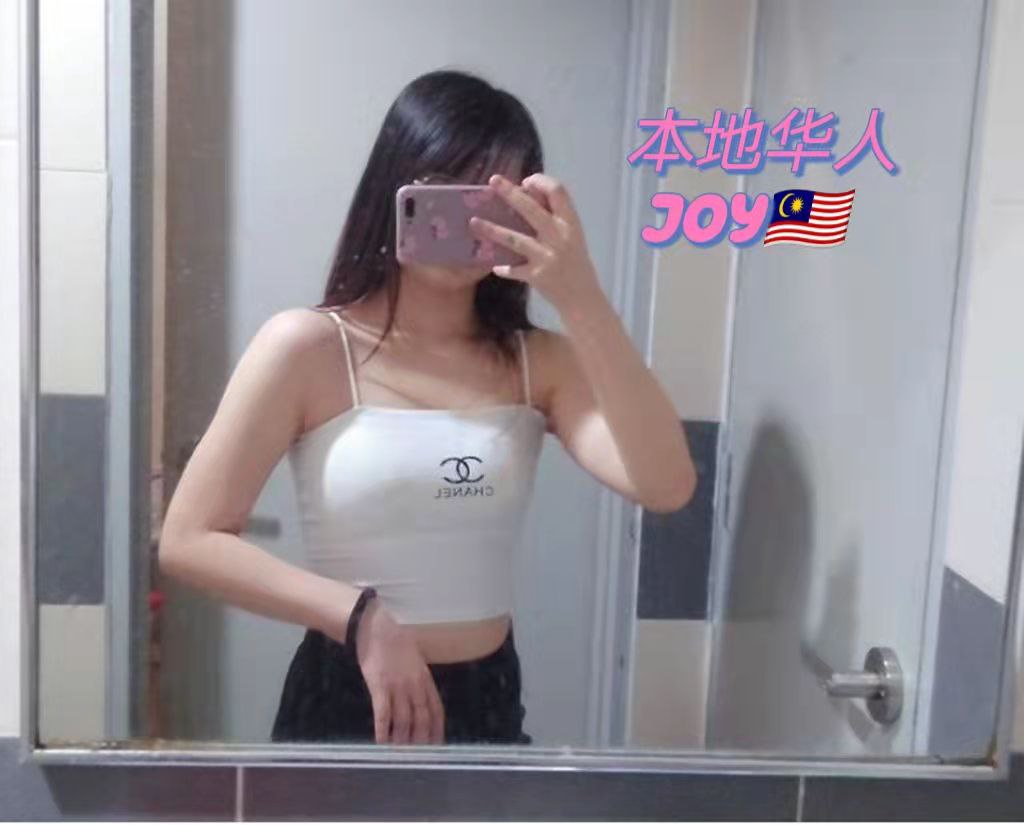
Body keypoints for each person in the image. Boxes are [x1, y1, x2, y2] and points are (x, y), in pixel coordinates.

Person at [158, 69, 697, 747]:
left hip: (488, 695)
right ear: (396, 188)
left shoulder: (539, 362)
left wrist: (580, 291)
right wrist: (360, 615)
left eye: (493, 200)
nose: (469, 221)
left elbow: (667, 484)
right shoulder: (308, 346)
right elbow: (189, 540)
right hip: (346, 688)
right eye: (447, 188)